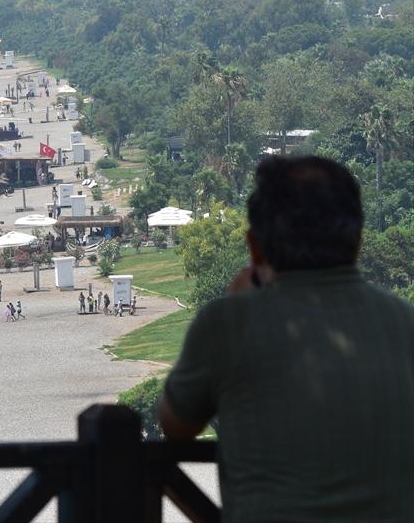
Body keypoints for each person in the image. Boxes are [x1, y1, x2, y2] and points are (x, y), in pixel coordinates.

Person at [159, 156, 414, 522]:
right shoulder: (406, 321)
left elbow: (176, 425)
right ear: (357, 239)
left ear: (255, 246)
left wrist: (238, 306)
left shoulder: (228, 322)